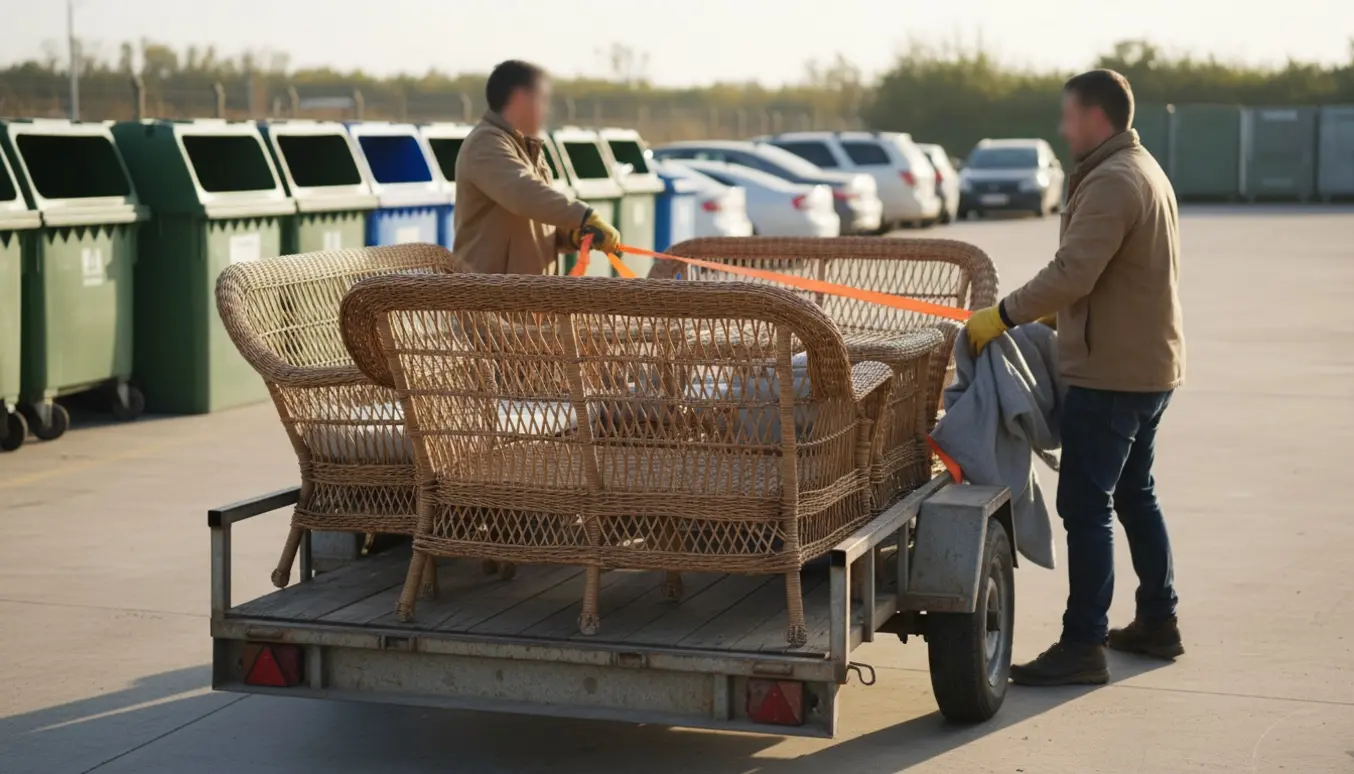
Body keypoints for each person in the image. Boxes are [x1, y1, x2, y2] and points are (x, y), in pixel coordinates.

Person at [963, 69, 1186, 686]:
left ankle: (1083, 644)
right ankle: (1158, 622)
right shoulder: (1141, 168)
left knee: (1086, 506)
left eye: (1068, 116)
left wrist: (1001, 315)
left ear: (1097, 117)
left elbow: (1072, 274)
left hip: (1115, 375)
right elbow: (1099, 278)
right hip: (1148, 367)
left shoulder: (1114, 181)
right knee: (1135, 494)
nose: (1062, 129)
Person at [454, 60, 620, 275]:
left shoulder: (526, 148)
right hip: (491, 301)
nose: (546, 109)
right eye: (542, 100)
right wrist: (584, 215)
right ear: (520, 98)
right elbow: (523, 192)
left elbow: (538, 218)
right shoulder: (485, 144)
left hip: (526, 299)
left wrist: (573, 234)